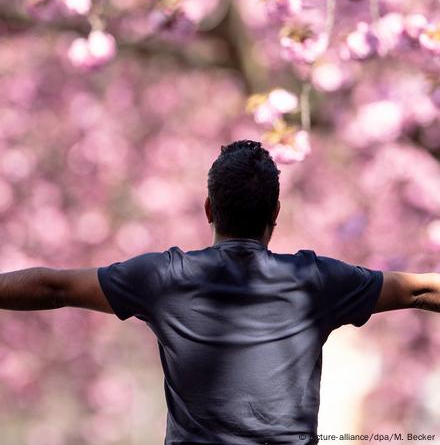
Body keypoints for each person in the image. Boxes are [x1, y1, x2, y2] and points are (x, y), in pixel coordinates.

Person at [0, 139, 439, 445]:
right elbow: (419, 291)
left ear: (209, 209)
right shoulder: (315, 282)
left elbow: (53, 285)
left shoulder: (164, 277)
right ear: (275, 213)